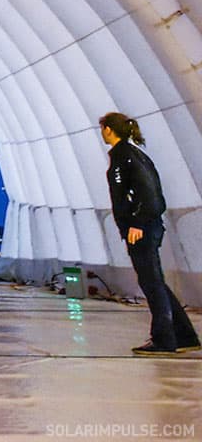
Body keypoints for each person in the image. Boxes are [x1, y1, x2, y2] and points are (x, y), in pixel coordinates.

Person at [100, 112, 200, 356]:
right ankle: (185, 336)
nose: (101, 132)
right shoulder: (131, 156)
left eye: (103, 128)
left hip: (142, 229)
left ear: (110, 130)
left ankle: (164, 339)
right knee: (154, 282)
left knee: (151, 282)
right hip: (144, 226)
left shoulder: (127, 157)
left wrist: (138, 223)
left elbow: (149, 194)